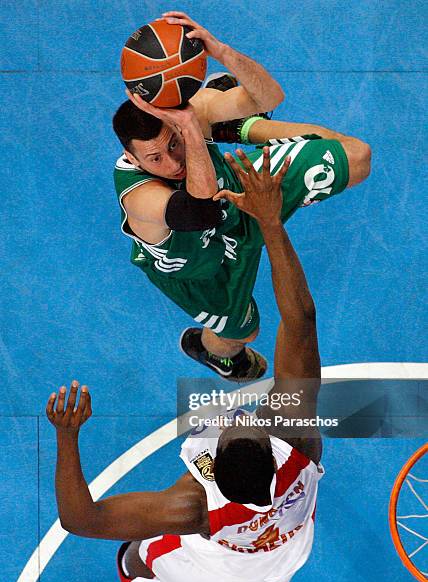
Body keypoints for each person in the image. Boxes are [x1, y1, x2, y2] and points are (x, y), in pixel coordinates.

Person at [48, 149, 325, 582]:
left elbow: (82, 520)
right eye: (251, 423)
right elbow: (302, 322)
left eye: (231, 427)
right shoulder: (298, 441)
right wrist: (271, 224)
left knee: (138, 554)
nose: (241, 416)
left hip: (216, 575)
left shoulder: (192, 508)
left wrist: (66, 435)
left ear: (209, 472)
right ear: (273, 453)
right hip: (284, 557)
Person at [113, 11, 370, 382]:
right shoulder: (139, 197)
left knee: (356, 157)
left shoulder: (186, 118)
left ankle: (243, 127)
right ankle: (216, 354)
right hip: (200, 269)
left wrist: (221, 51)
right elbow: (201, 210)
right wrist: (189, 128)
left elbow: (270, 95)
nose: (171, 163)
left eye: (174, 145)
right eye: (155, 158)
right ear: (133, 158)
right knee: (241, 334)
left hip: (241, 199)